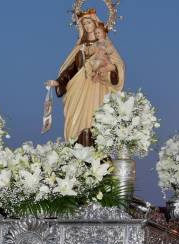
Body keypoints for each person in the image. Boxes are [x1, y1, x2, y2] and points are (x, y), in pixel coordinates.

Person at [45, 8, 125, 145]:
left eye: (89, 23)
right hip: (78, 87)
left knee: (93, 120)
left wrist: (107, 70)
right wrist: (58, 82)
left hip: (96, 88)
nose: (87, 26)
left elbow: (117, 65)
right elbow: (71, 69)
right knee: (75, 121)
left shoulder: (105, 46)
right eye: (84, 24)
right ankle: (77, 151)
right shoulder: (80, 49)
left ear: (96, 24)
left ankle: (95, 155)